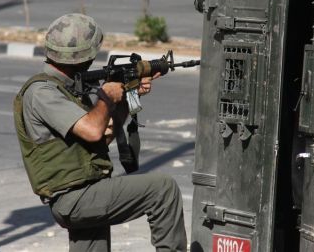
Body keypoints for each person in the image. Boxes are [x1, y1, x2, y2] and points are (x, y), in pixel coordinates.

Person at [13, 13, 187, 251]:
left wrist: (126, 98)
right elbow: (94, 130)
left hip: (85, 190)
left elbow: (103, 138)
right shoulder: (42, 92)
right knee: (163, 190)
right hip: (74, 198)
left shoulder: (70, 89)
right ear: (83, 55)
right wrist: (106, 98)